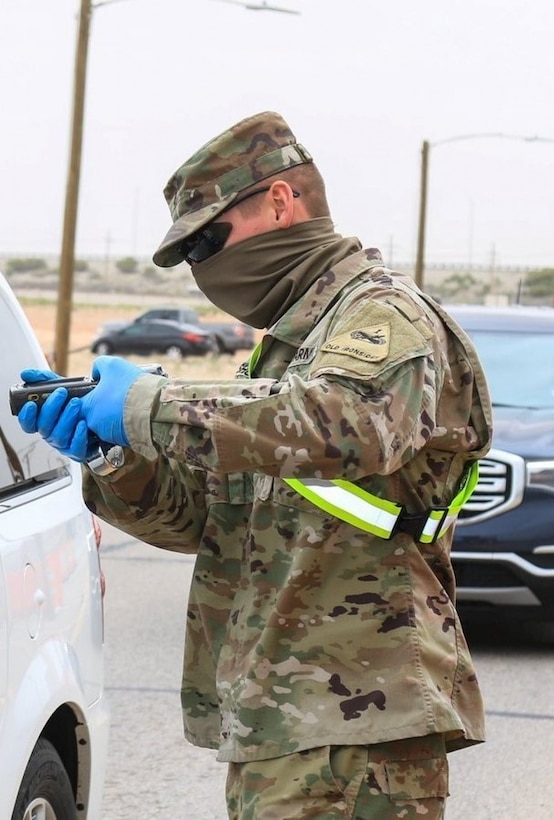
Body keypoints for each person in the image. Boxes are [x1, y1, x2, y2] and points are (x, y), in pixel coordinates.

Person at [18, 111, 493, 819]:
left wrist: (151, 405)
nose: (203, 267)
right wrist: (117, 458)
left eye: (209, 239)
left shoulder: (383, 313)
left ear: (280, 201)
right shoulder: (291, 348)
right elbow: (212, 522)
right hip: (286, 723)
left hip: (355, 724)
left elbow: (347, 424)